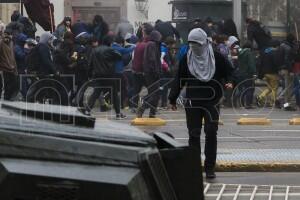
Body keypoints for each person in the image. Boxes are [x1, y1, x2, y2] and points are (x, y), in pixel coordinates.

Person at [169, 28, 233, 179]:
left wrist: (230, 82)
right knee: (194, 135)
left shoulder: (217, 57)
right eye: (191, 44)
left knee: (211, 133)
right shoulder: (187, 58)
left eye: (197, 43)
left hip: (213, 101)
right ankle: (194, 168)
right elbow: (179, 79)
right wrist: (173, 98)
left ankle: (209, 168)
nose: (194, 47)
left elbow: (229, 71)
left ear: (204, 42)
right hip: (192, 102)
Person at [87, 35, 126, 119]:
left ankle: (87, 111)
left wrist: (90, 75)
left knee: (95, 94)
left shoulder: (94, 50)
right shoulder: (110, 50)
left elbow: (90, 64)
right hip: (109, 76)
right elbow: (119, 56)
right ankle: (118, 114)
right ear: (110, 42)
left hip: (98, 76)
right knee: (115, 94)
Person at [136, 30, 163, 118]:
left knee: (155, 94)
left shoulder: (152, 44)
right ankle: (143, 108)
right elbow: (152, 60)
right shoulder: (152, 44)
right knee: (154, 94)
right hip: (152, 73)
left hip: (151, 73)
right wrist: (156, 72)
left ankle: (152, 113)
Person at [131, 23, 154, 112]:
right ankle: (146, 105)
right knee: (153, 91)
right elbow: (148, 60)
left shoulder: (139, 44)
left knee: (136, 90)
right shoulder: (149, 45)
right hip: (145, 72)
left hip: (136, 71)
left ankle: (134, 106)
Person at [112, 35, 136, 108]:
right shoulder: (118, 48)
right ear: (120, 43)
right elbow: (127, 50)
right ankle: (122, 105)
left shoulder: (112, 47)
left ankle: (115, 104)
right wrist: (134, 46)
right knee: (123, 88)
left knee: (115, 89)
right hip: (119, 72)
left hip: (113, 72)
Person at [257, 40, 281, 107]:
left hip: (265, 73)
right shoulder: (275, 53)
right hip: (272, 73)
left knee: (270, 88)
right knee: (274, 88)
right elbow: (276, 63)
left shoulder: (266, 52)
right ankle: (272, 102)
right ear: (277, 46)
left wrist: (260, 75)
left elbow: (261, 63)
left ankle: (260, 97)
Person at [278, 33, 297, 110]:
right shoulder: (288, 48)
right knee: (289, 88)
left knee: (286, 88)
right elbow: (287, 60)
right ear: (291, 40)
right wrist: (291, 70)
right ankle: (286, 105)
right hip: (287, 69)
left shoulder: (281, 45)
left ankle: (282, 101)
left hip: (280, 69)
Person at [0, 29, 19, 100]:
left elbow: (13, 56)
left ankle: (9, 98)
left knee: (12, 85)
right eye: (5, 35)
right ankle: (6, 98)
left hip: (12, 68)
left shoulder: (12, 43)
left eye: (8, 36)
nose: (6, 37)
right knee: (7, 85)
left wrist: (15, 68)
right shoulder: (1, 43)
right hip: (4, 68)